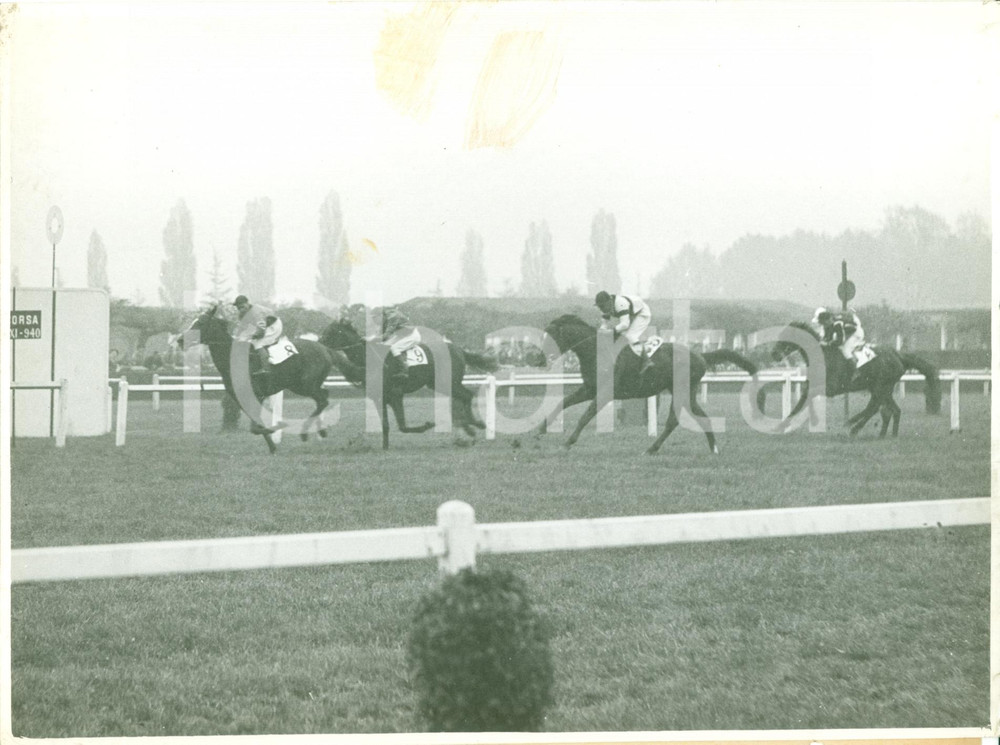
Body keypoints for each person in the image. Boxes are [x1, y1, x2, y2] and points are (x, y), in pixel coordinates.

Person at [595, 290, 653, 375]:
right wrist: (601, 333)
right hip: (632, 314)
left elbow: (625, 324)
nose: (601, 309)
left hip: (642, 314)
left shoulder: (620, 304)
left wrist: (611, 332)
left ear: (609, 302)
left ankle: (646, 360)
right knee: (620, 337)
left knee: (630, 336)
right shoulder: (606, 306)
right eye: (599, 307)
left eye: (602, 306)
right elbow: (604, 326)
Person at [232, 295, 283, 374]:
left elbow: (261, 332)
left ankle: (266, 368)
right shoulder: (242, 313)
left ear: (247, 303)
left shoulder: (257, 312)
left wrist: (253, 336)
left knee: (258, 343)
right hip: (264, 326)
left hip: (274, 325)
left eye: (242, 306)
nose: (241, 309)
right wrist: (237, 337)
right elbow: (241, 328)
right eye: (239, 308)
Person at [812, 306, 865, 376]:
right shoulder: (829, 324)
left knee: (845, 350)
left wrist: (828, 344)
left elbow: (841, 340)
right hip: (848, 333)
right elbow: (827, 338)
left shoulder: (837, 324)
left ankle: (856, 371)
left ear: (827, 320)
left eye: (823, 323)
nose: (823, 326)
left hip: (856, 334)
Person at [381, 305, 421, 383]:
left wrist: (372, 339)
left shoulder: (393, 316)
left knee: (394, 348)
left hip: (412, 336)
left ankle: (404, 370)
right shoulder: (386, 316)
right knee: (384, 345)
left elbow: (387, 333)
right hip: (403, 335)